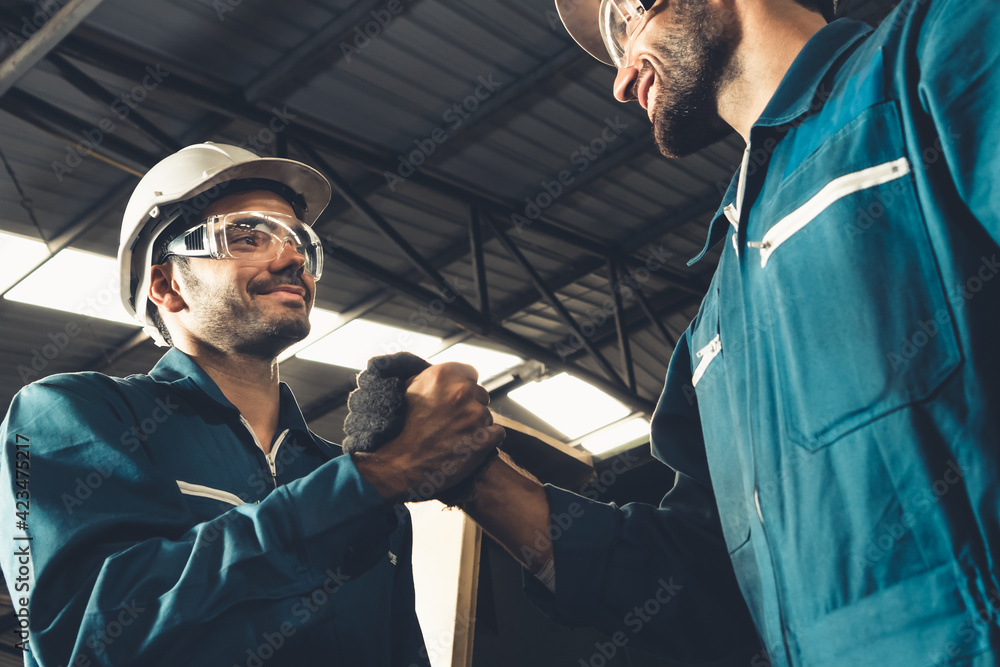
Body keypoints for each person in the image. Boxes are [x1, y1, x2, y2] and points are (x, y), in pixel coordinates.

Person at [460, 0, 1000, 664]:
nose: (622, 78)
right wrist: (476, 478)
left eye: (626, 22)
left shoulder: (940, 51)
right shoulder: (715, 327)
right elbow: (708, 585)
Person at [0, 142, 504, 666]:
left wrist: (370, 483)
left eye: (300, 244)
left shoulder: (360, 483)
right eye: (246, 237)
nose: (291, 259)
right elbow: (82, 642)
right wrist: (367, 483)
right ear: (167, 286)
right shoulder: (70, 414)